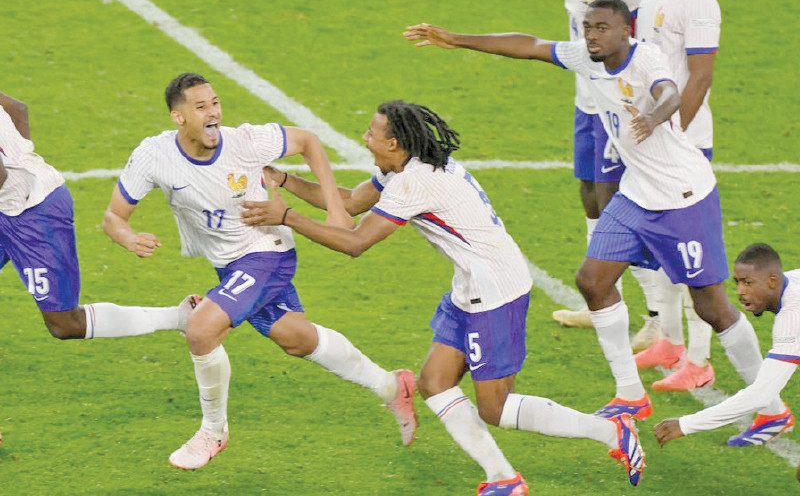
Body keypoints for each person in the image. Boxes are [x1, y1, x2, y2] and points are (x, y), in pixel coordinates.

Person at [402, 0, 787, 426]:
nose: (591, 35)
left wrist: (655, 117)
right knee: (592, 280)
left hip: (683, 197)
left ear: (627, 31)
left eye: (602, 27)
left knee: (712, 307)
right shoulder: (587, 58)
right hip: (637, 194)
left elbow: (669, 91)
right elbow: (529, 45)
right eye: (588, 27)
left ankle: (770, 408)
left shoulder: (646, 59)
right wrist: (455, 39)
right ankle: (630, 395)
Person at [241, 100, 646, 494]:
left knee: (496, 408)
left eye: (372, 133)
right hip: (471, 286)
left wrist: (287, 217)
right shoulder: (406, 167)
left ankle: (610, 430)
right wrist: (285, 181)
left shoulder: (415, 181)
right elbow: (348, 202)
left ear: (395, 144)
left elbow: (355, 242)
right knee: (434, 382)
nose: (364, 138)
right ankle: (503, 478)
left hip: (494, 293)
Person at [102, 73, 416, 470]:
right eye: (201, 107)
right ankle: (392, 385)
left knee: (201, 330)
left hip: (267, 251)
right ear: (178, 118)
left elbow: (307, 140)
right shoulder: (154, 155)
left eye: (215, 103)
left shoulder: (245, 141)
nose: (213, 112)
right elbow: (114, 215)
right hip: (228, 264)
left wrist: (337, 208)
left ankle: (213, 432)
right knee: (296, 339)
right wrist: (128, 237)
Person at [0, 89, 197, 446]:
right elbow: (15, 108)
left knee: (64, 324)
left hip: (35, 212)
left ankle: (180, 317)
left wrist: (22, 172)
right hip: (9, 202)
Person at [627, 0, 724, 396]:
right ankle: (668, 341)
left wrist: (675, 137)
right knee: (657, 248)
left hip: (682, 144)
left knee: (692, 257)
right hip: (651, 142)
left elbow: (701, 75)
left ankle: (701, 362)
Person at [551, 0, 647, 335]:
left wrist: (633, 87)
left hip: (614, 99)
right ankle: (603, 304)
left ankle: (658, 318)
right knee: (590, 194)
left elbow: (645, 25)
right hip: (584, 95)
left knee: (616, 207)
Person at [654, 243, 797, 470]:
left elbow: (760, 395)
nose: (740, 291)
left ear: (772, 281)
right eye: (738, 283)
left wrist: (686, 424)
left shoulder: (792, 318)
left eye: (748, 283)